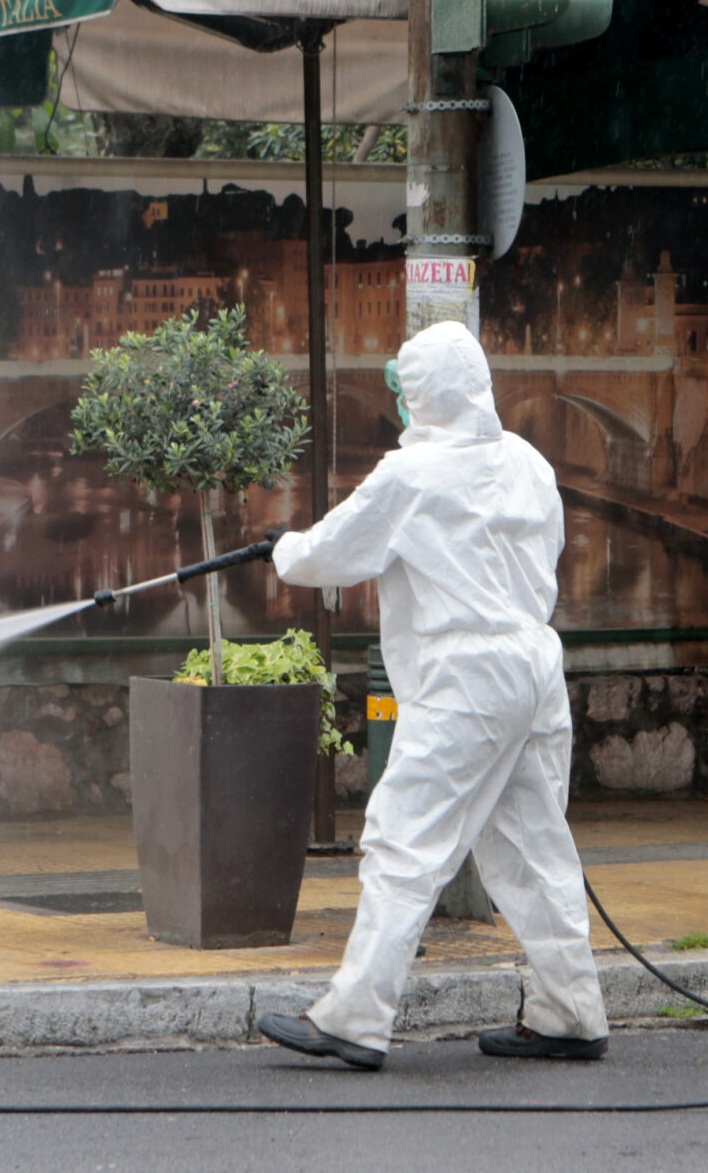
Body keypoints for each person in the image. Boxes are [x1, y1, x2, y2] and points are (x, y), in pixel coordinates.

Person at [255, 320, 609, 1070]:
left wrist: (282, 549)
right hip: (536, 668)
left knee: (402, 840)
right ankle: (571, 1010)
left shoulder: (408, 476)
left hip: (465, 679)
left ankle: (355, 1017)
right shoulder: (529, 464)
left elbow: (328, 555)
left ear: (420, 397)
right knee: (532, 842)